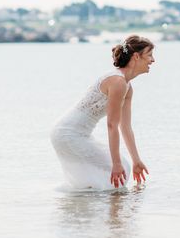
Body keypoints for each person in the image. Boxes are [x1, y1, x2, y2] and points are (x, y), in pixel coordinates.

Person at [51, 35, 155, 189]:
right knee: (119, 171)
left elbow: (125, 127)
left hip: (76, 134)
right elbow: (112, 125)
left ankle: (86, 208)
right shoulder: (117, 82)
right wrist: (116, 163)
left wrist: (136, 160)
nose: (153, 60)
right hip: (69, 133)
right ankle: (105, 210)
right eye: (150, 55)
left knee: (122, 170)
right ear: (136, 56)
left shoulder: (127, 86)